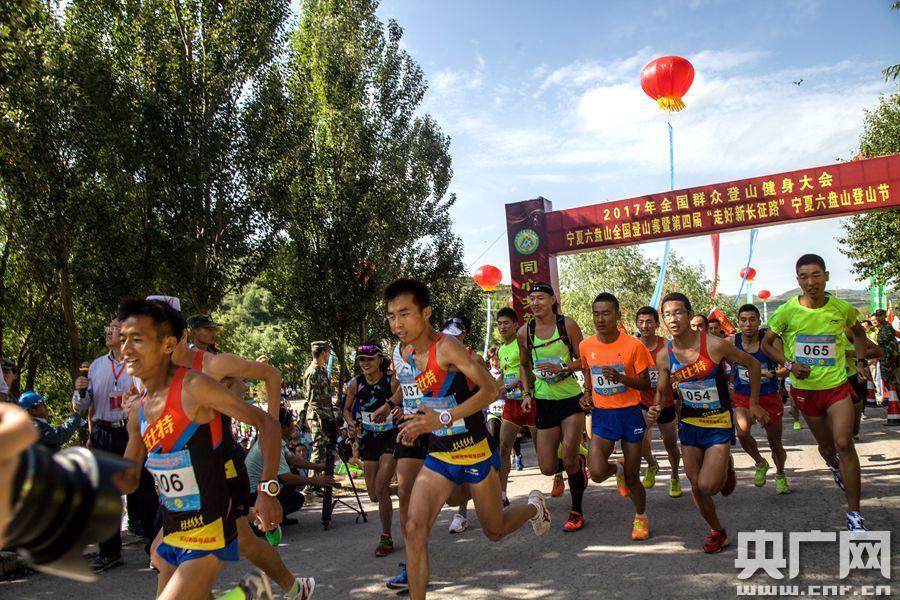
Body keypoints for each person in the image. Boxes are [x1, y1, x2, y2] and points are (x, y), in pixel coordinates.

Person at [387, 278, 550, 600]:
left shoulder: (447, 346)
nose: (397, 324)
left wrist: (441, 418)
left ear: (426, 313)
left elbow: (490, 390)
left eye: (404, 314)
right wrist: (416, 417)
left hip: (475, 453)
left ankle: (534, 508)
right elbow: (434, 395)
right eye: (391, 316)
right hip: (440, 455)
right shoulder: (405, 353)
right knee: (414, 529)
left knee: (495, 530)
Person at [117, 298, 284, 600]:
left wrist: (267, 490)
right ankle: (250, 594)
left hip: (209, 524)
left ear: (168, 344)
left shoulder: (195, 384)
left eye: (138, 339)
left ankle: (262, 590)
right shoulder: (138, 410)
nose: (126, 349)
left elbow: (268, 424)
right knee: (161, 561)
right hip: (174, 525)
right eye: (123, 338)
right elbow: (127, 480)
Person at [156, 320, 316, 599]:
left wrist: (270, 432)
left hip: (221, 470)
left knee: (170, 558)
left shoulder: (213, 365)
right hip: (187, 480)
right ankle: (288, 589)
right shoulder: (155, 375)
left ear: (182, 336)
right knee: (172, 557)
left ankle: (273, 590)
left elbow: (271, 375)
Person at [650, 292, 767, 553]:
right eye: (667, 314)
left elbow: (753, 365)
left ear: (690, 315)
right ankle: (717, 531)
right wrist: (656, 407)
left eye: (678, 312)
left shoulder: (715, 345)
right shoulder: (664, 355)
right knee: (696, 486)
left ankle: (725, 464)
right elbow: (661, 388)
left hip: (717, 423)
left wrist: (754, 403)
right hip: (690, 424)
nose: (673, 319)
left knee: (708, 485)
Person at [761, 254, 870, 532]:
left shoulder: (842, 308)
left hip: (836, 387)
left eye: (816, 275)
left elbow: (859, 334)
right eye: (804, 277)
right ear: (798, 281)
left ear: (826, 276)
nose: (811, 282)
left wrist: (860, 362)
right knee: (829, 448)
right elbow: (766, 345)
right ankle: (833, 465)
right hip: (806, 392)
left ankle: (854, 514)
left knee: (844, 442)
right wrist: (789, 364)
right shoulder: (787, 311)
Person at [72, 317, 149, 572]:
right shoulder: (95, 366)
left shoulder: (137, 362)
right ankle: (109, 551)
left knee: (142, 487)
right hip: (103, 433)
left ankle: (156, 545)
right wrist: (80, 391)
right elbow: (82, 406)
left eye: (114, 328)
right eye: (108, 328)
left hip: (130, 432)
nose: (109, 332)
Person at [579, 293, 653, 539]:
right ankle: (616, 468)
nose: (600, 319)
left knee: (633, 477)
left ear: (618, 315)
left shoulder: (634, 345)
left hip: (630, 414)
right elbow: (588, 371)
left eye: (606, 313)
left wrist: (621, 378)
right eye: (596, 314)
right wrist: (587, 393)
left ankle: (641, 517)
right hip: (603, 415)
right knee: (597, 472)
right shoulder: (586, 345)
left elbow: (645, 384)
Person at [517, 281, 588, 532]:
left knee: (568, 458)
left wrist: (563, 368)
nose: (535, 303)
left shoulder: (567, 325)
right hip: (544, 400)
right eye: (532, 299)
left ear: (552, 300)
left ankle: (576, 511)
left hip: (570, 399)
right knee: (547, 467)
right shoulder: (524, 332)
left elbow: (584, 360)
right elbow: (524, 365)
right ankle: (578, 462)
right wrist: (527, 393)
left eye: (540, 298)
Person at [343, 342, 399, 557]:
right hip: (368, 439)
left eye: (370, 359)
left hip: (389, 437)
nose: (365, 363)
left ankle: (386, 537)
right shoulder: (355, 384)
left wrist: (394, 410)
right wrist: (350, 422)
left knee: (381, 486)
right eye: (361, 360)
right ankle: (402, 490)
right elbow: (347, 409)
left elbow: (402, 399)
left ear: (379, 360)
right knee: (374, 495)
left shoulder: (391, 380)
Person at [732, 304, 790, 494]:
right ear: (738, 322)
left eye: (752, 320)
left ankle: (780, 474)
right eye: (743, 320)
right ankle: (759, 462)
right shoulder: (733, 341)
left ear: (759, 321)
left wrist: (770, 373)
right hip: (743, 396)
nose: (748, 324)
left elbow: (786, 368)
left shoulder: (770, 341)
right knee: (742, 433)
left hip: (768, 396)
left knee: (775, 444)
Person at [246, 407, 333, 521]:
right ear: (283, 427)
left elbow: (292, 459)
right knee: (297, 499)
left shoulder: (273, 438)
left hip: (260, 488)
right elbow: (287, 478)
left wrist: (317, 466)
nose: (293, 426)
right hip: (254, 495)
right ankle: (271, 518)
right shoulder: (272, 444)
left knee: (294, 471)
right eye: (291, 422)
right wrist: (316, 480)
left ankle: (280, 516)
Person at [635, 306, 682, 498]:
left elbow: (679, 371)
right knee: (638, 439)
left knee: (670, 445)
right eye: (641, 322)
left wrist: (672, 379)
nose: (645, 325)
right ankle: (652, 464)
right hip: (642, 402)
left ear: (656, 324)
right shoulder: (633, 346)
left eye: (649, 321)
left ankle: (675, 476)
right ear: (636, 324)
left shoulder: (668, 346)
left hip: (665, 403)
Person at [495, 307, 538, 507]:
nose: (502, 327)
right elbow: (504, 375)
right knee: (504, 448)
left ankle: (567, 464)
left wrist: (516, 385)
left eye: (506, 323)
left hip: (531, 401)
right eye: (499, 324)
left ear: (515, 325)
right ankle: (502, 494)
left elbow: (532, 371)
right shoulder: (501, 349)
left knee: (543, 454)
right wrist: (492, 388)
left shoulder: (523, 344)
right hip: (511, 404)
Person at [301, 342, 334, 471]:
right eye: (328, 352)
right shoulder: (313, 372)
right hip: (317, 417)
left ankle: (324, 478)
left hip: (324, 416)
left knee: (326, 450)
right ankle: (313, 481)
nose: (329, 355)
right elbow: (313, 400)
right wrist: (324, 419)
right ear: (323, 352)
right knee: (319, 449)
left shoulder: (321, 370)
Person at [18, 390, 85, 453]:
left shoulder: (32, 426)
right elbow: (60, 435)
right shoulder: (35, 427)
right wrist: (76, 415)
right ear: (32, 411)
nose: (45, 406)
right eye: (42, 404)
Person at [872, 309, 899, 389]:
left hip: (889, 359)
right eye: (877, 315)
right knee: (887, 380)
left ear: (884, 316)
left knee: (891, 380)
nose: (878, 317)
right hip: (884, 358)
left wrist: (889, 358)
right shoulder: (881, 327)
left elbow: (890, 344)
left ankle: (895, 395)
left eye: (880, 315)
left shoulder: (887, 327)